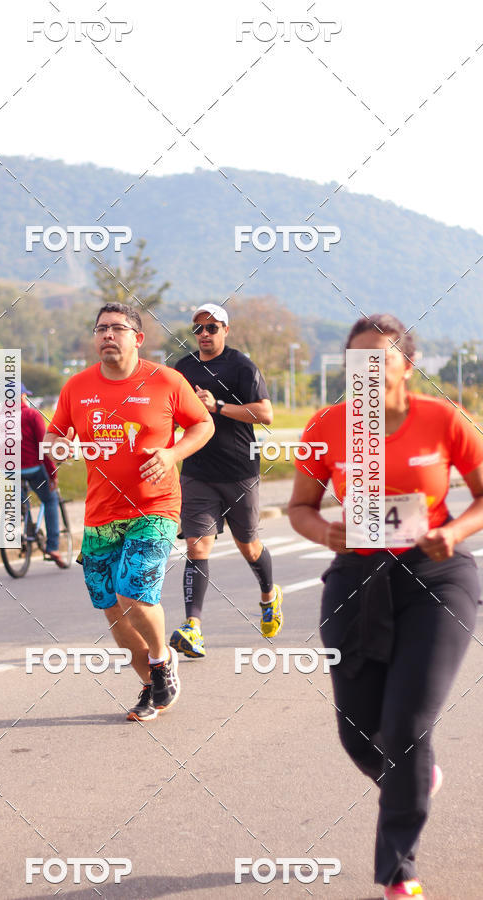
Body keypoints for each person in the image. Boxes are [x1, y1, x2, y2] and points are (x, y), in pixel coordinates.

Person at [288, 313, 483, 899]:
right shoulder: (329, 425)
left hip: (436, 575)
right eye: (356, 360)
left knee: (406, 724)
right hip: (357, 575)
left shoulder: (442, 419)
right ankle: (417, 779)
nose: (365, 371)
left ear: (406, 364)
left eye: (379, 358)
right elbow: (301, 507)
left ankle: (400, 874)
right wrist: (328, 535)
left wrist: (457, 532)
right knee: (357, 733)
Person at [43, 303, 214, 722]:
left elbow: (202, 425)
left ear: (137, 338)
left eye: (117, 328)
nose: (107, 335)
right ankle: (149, 684)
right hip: (101, 514)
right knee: (111, 608)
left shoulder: (167, 381)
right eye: (101, 328)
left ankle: (162, 659)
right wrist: (58, 447)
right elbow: (53, 436)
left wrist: (172, 453)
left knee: (132, 591)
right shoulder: (77, 387)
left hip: (155, 507)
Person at [169, 303, 283, 659]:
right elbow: (170, 413)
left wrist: (217, 406)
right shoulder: (183, 368)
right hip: (197, 473)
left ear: (226, 330)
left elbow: (265, 413)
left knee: (248, 545)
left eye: (212, 327)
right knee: (196, 548)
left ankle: (268, 596)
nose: (204, 334)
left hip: (239, 471)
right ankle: (193, 628)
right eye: (198, 329)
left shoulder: (241, 365)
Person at [20, 383, 68, 568]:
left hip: (10, 470)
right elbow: (44, 447)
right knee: (50, 500)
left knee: (23, 502)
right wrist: (52, 474)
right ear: (23, 396)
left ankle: (27, 528)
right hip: (33, 468)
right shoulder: (32, 415)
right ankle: (53, 547)